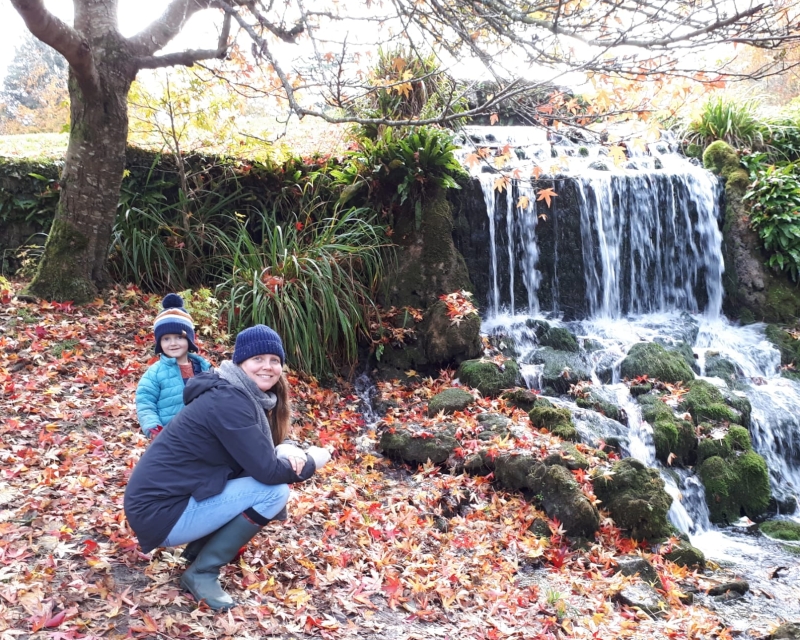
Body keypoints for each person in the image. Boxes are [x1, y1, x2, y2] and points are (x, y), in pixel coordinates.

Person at [124, 324, 332, 611]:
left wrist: (286, 448)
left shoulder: (234, 393)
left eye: (274, 360)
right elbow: (267, 471)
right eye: (257, 359)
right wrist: (311, 461)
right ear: (240, 362)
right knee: (275, 492)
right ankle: (202, 573)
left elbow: (258, 452)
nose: (268, 367)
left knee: (265, 484)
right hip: (159, 514)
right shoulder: (228, 401)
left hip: (165, 503)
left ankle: (197, 553)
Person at [135, 293, 212, 438]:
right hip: (170, 437)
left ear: (189, 339)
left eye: (179, 337)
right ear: (159, 343)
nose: (173, 343)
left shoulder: (204, 368)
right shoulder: (155, 373)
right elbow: (145, 403)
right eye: (166, 339)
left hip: (203, 435)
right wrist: (154, 430)